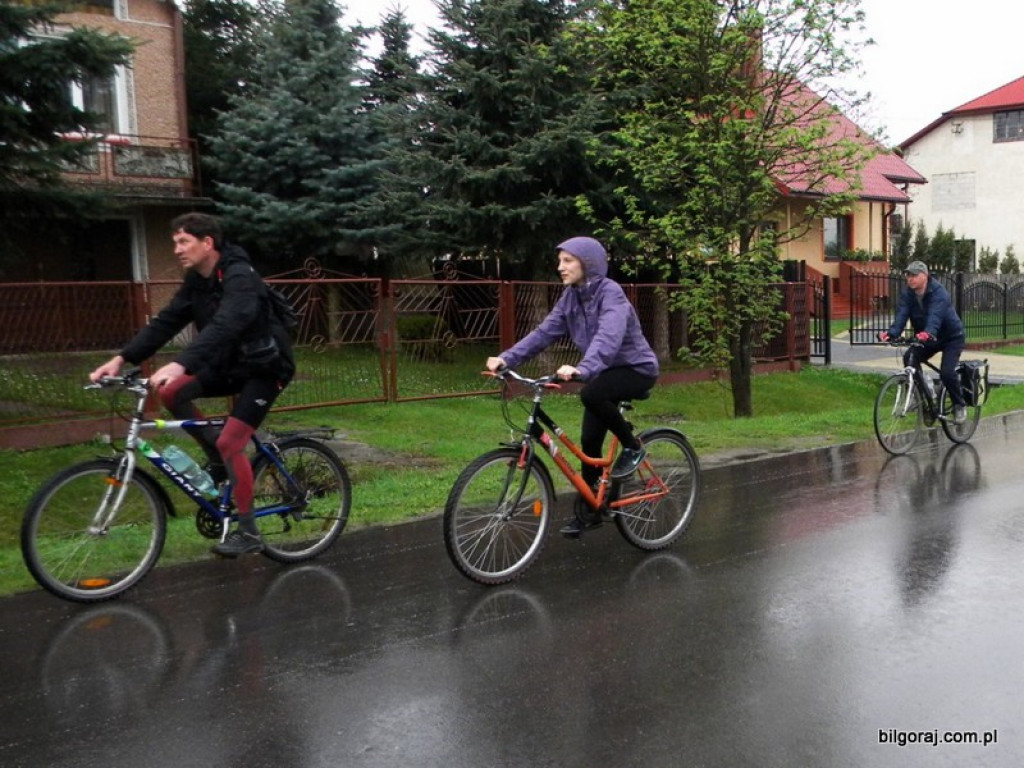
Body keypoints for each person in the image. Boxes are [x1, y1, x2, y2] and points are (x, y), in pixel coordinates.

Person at [90, 213, 295, 557]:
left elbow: (230, 322)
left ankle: (248, 532)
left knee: (233, 441)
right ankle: (213, 452)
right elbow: (167, 321)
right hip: (229, 366)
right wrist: (121, 358)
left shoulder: (239, 276)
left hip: (265, 367)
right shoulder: (197, 281)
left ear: (207, 243)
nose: (176, 249)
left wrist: (181, 362)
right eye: (174, 242)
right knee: (171, 391)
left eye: (183, 241)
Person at [486, 236, 659, 537]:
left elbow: (609, 335)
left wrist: (584, 368)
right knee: (589, 442)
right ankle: (592, 509)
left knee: (591, 393)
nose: (560, 267)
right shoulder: (571, 298)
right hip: (602, 371)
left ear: (587, 263)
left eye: (568, 261)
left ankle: (632, 448)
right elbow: (543, 334)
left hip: (635, 369)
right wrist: (506, 359)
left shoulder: (611, 294)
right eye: (559, 261)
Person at [878, 260, 966, 424]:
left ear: (925, 276)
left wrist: (928, 332)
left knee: (947, 373)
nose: (910, 279)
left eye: (914, 275)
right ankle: (922, 397)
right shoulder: (907, 295)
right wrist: (891, 334)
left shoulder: (939, 293)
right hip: (927, 337)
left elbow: (935, 316)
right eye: (908, 275)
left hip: (951, 337)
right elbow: (901, 315)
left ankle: (959, 405)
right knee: (909, 358)